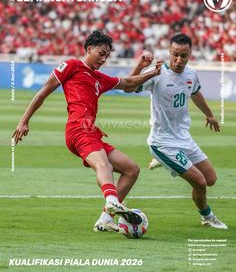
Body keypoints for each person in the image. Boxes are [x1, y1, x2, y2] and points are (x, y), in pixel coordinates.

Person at [12, 30, 163, 233]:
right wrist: (24, 121)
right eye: (101, 53)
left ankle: (105, 220)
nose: (103, 59)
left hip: (91, 132)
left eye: (106, 56)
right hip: (78, 129)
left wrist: (150, 71)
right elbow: (44, 91)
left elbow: (127, 83)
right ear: (89, 49)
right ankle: (111, 200)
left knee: (131, 169)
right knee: (104, 165)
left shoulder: (99, 78)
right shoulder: (73, 65)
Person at [128, 33, 227, 229]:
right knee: (199, 182)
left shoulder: (191, 74)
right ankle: (207, 217)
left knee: (210, 179)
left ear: (190, 54)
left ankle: (165, 164)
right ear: (169, 52)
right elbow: (129, 88)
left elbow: (196, 93)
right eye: (175, 55)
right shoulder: (156, 74)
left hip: (184, 139)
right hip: (162, 142)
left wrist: (209, 114)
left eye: (184, 55)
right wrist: (140, 66)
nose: (179, 60)